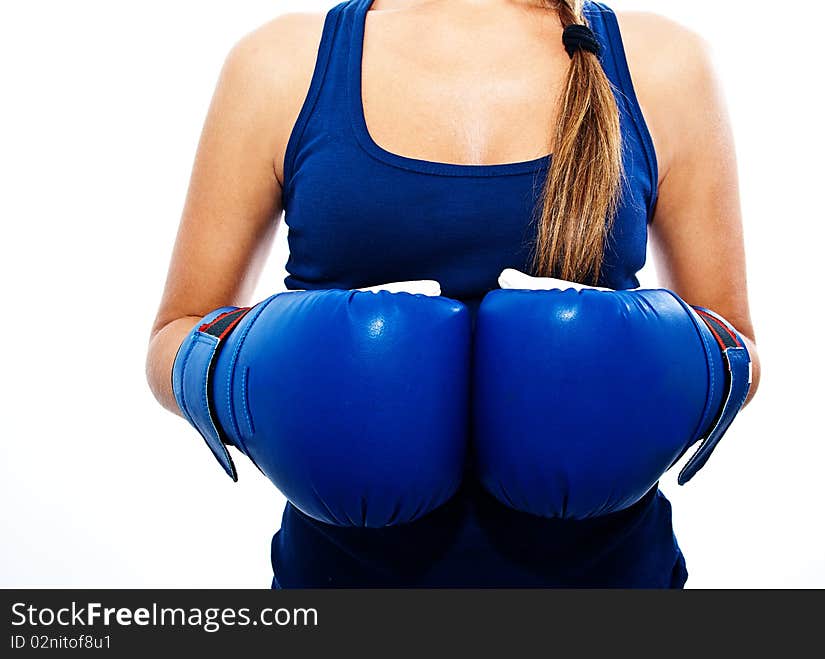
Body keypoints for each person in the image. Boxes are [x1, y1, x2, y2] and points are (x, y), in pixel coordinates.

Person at [146, 0, 761, 588]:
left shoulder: (661, 63)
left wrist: (629, 354)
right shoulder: (283, 61)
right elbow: (176, 333)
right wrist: (272, 363)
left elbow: (738, 346)